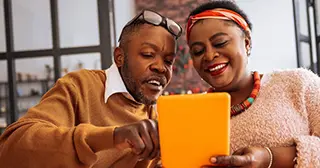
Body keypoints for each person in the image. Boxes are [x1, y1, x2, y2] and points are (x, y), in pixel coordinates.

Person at [0, 9, 182, 168]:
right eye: (148, 54)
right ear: (119, 57)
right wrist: (114, 136)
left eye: (168, 61)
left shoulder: (155, 114)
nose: (161, 67)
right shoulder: (80, 86)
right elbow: (11, 149)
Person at [186, 1, 320, 168]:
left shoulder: (298, 84)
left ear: (247, 42)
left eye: (220, 43)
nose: (209, 55)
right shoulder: (191, 116)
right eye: (198, 51)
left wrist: (269, 158)